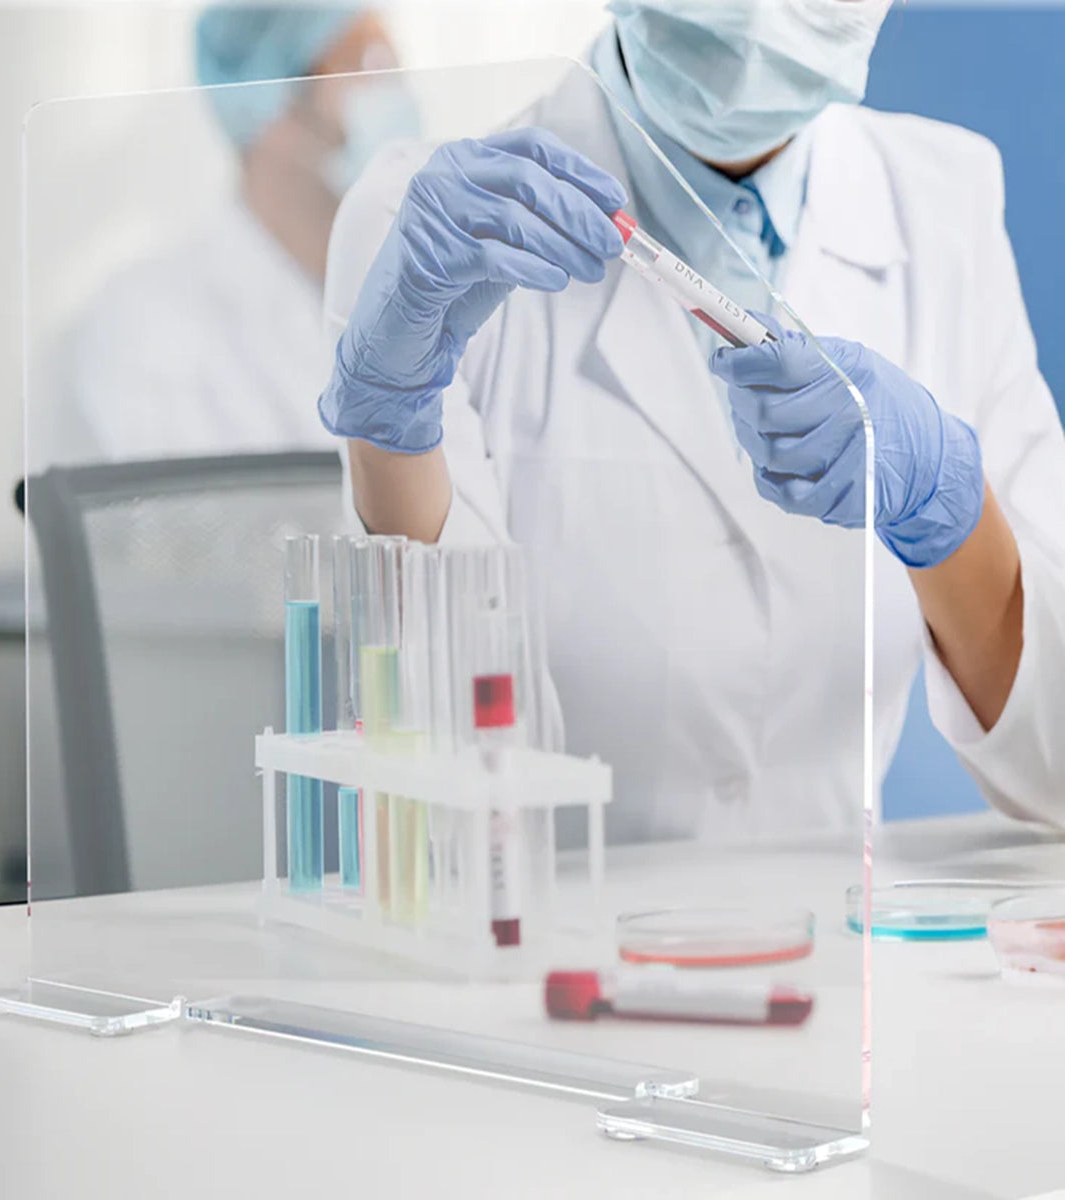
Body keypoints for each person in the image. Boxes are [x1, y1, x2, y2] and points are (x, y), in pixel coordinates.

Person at [317, 0, 1065, 842]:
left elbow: (1058, 772)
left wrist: (947, 510)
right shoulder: (436, 228)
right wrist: (390, 437)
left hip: (848, 948)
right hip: (548, 951)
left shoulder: (943, 201)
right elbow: (450, 788)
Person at [61, 4, 416, 463]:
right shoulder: (148, 319)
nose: (396, 94)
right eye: (368, 64)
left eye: (394, 67)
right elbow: (197, 525)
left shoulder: (410, 291)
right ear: (273, 106)